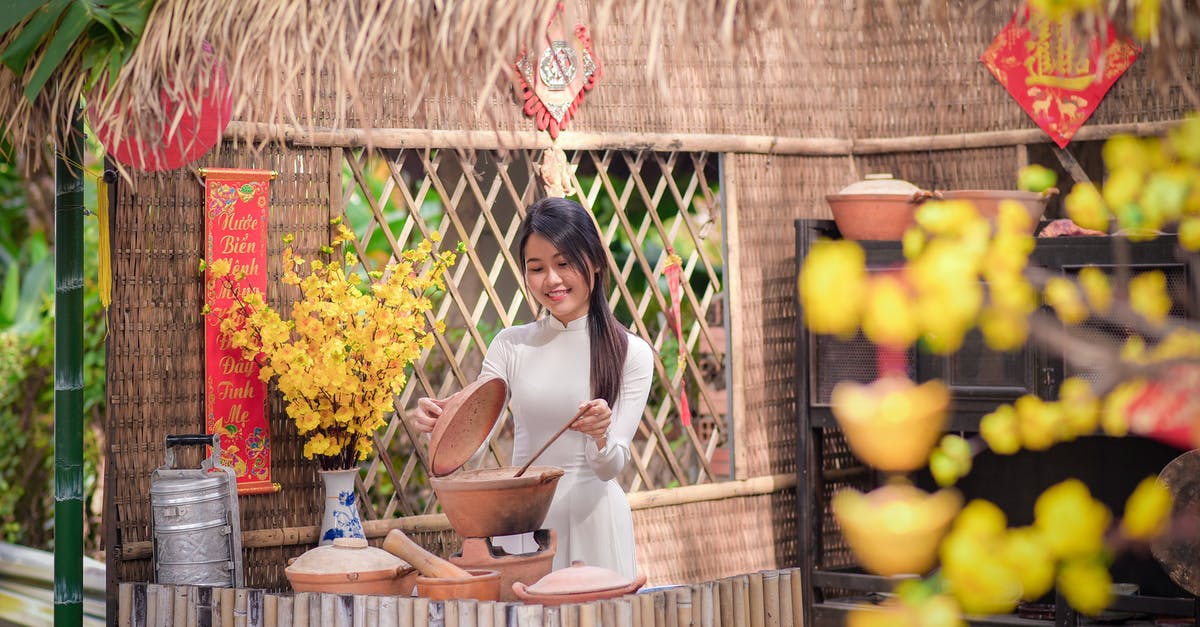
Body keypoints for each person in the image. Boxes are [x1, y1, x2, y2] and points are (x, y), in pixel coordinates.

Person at [412, 197, 653, 578]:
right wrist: (442, 423)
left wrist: (601, 435)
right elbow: (469, 448)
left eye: (564, 263)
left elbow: (611, 468)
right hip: (523, 523)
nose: (551, 280)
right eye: (536, 268)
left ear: (595, 263)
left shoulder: (631, 353)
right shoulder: (511, 344)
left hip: (595, 523)